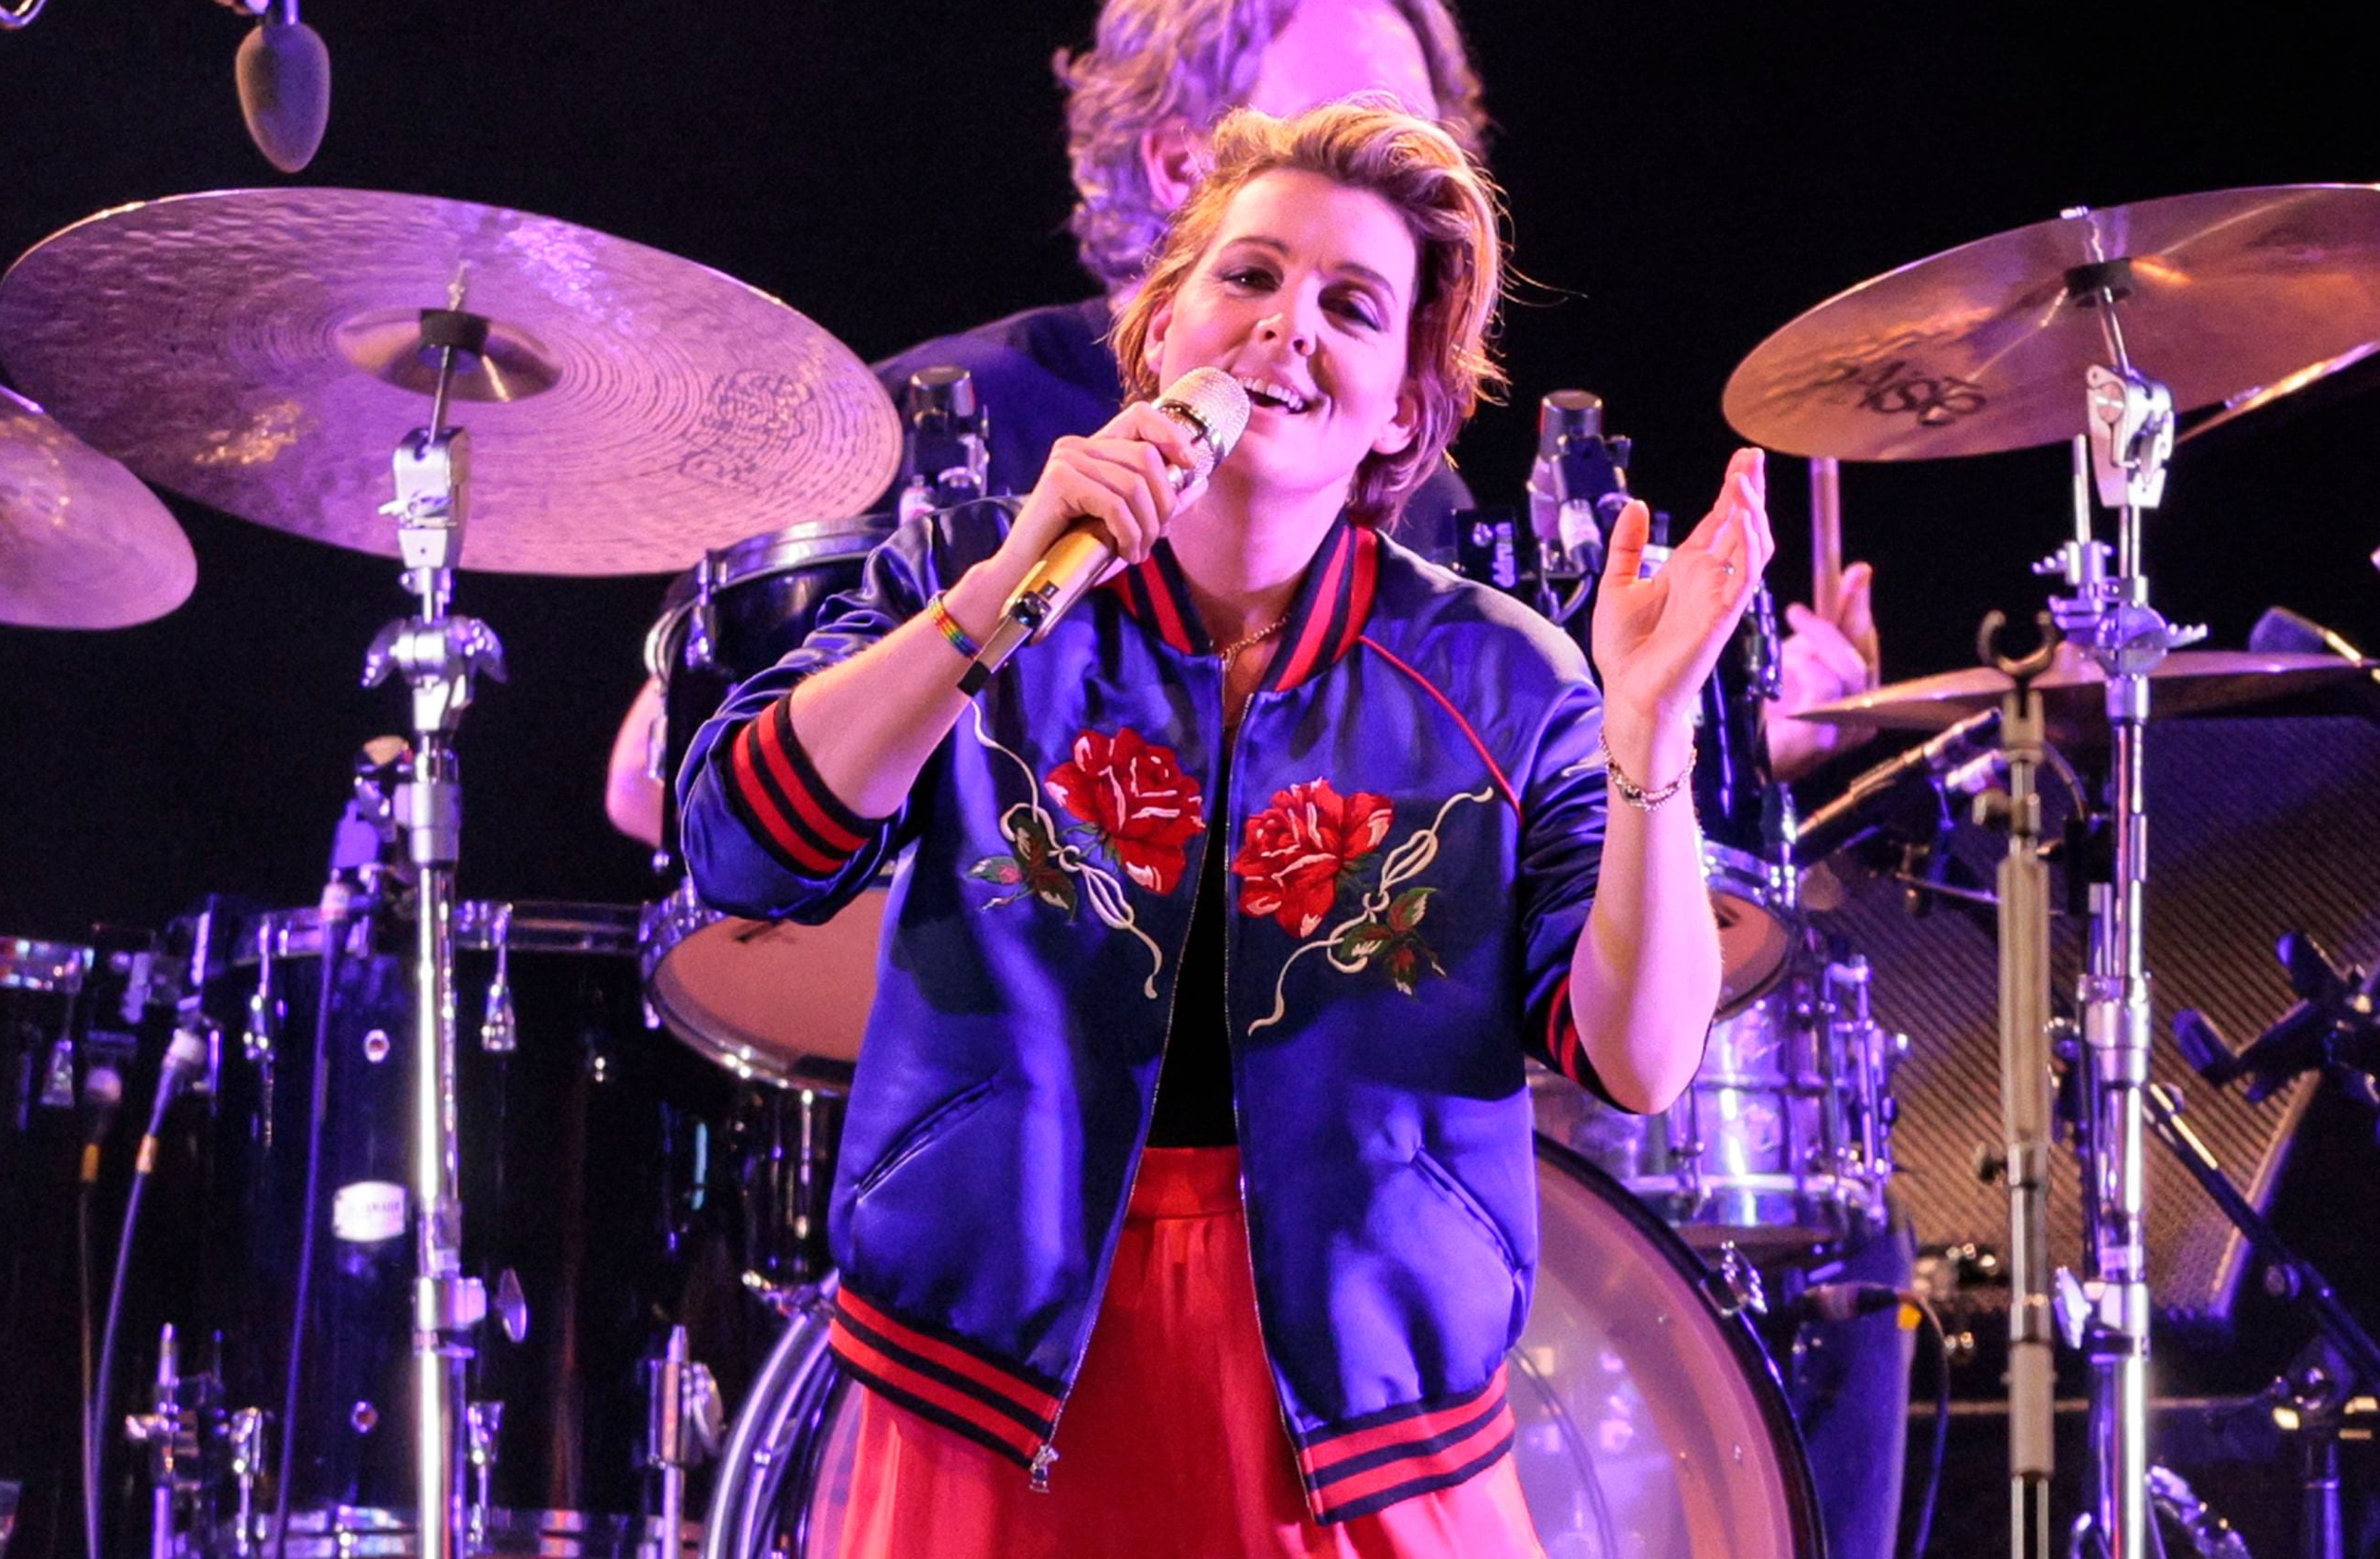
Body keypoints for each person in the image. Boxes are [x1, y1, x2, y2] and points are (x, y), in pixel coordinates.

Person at [676, 102, 1770, 1555]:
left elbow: (1635, 1056)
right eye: (1246, 277)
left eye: (1350, 305)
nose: (1283, 328)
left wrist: (1651, 747)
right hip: (985, 1384)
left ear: (1399, 410)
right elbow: (742, 846)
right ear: (1157, 332)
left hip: (1366, 1418)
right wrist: (1003, 592)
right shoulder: (968, 573)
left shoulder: (1499, 677)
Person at [606, 0, 1881, 841]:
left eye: (1423, 143)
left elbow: (1470, 840)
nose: (1385, 175)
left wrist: (1720, 737)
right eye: (1343, 124)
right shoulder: (936, 422)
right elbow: (653, 783)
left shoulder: (1405, 494)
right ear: (1179, 169)